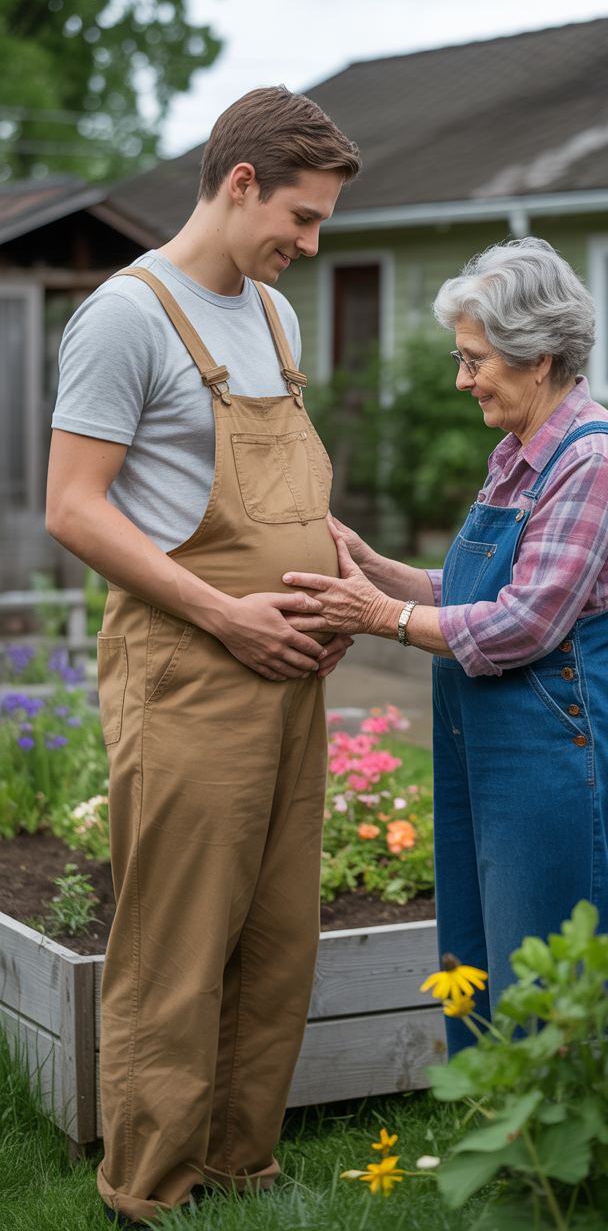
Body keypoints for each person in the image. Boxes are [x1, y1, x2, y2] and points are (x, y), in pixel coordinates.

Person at [46, 86, 361, 1227]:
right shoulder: (125, 317)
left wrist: (334, 556)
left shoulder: (272, 317)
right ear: (239, 183)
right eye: (301, 217)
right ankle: (147, 1186)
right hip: (188, 667)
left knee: (277, 932)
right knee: (176, 940)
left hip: (293, 669)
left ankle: (237, 1164)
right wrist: (228, 617)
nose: (309, 245)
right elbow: (74, 509)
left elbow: (270, 490)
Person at [282, 238, 608, 1056]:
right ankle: (496, 1128)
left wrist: (380, 615)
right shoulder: (519, 454)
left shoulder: (591, 460)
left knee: (553, 974)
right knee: (482, 954)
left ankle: (565, 1136)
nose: (463, 380)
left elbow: (524, 622)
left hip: (563, 739)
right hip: (494, 737)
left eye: (474, 360)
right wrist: (378, 570)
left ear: (539, 357)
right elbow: (480, 589)